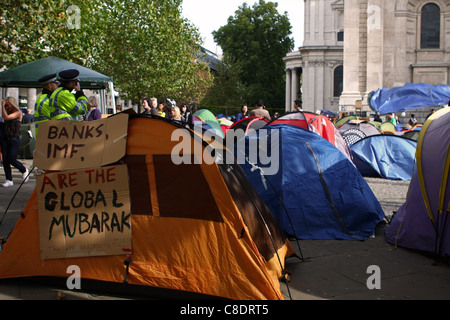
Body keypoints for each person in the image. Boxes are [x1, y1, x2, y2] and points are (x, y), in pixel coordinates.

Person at [1, 97, 29, 187]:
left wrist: (1, 105)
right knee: (5, 160)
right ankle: (9, 179)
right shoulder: (8, 112)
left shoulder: (18, 112)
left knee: (11, 159)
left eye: (8, 105)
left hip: (14, 138)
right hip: (5, 138)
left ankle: (24, 170)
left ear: (12, 104)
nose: (7, 107)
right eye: (5, 106)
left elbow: (6, 117)